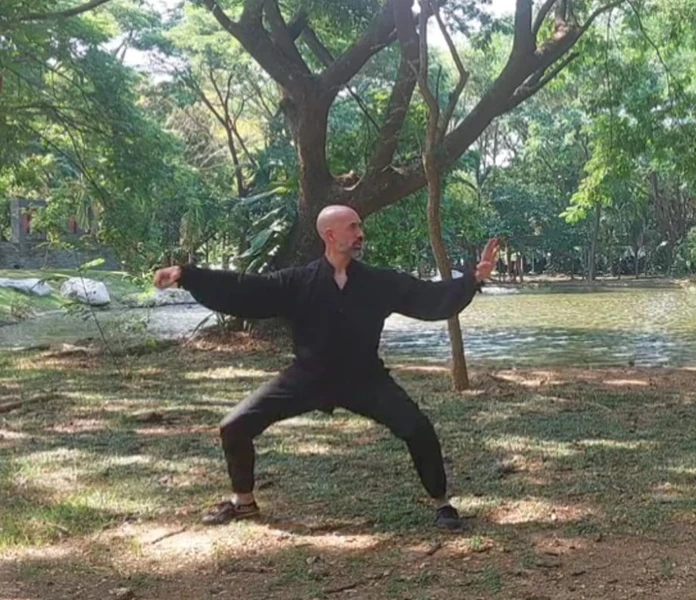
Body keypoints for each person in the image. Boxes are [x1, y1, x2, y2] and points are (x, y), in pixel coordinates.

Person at [154, 205, 498, 530]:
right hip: (308, 376)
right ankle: (243, 501)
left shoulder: (379, 282)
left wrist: (473, 279)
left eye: (360, 226)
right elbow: (245, 289)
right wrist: (187, 275)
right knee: (234, 426)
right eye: (353, 227)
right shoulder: (297, 281)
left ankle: (442, 503)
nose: (360, 233)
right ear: (329, 235)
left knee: (418, 429)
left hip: (365, 378)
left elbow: (428, 298)